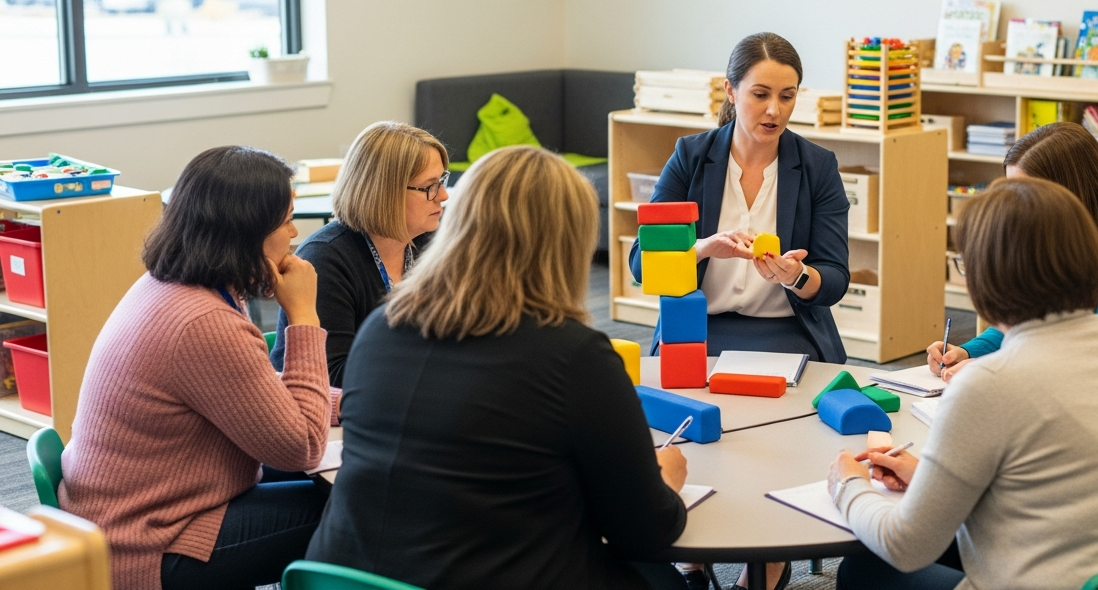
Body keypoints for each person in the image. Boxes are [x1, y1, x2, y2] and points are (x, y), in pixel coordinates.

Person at [306, 145, 690, 590]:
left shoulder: (380, 327)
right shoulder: (576, 356)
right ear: (568, 242)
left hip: (343, 577)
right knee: (662, 579)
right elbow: (646, 531)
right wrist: (665, 480)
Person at [828, 178, 1098, 590]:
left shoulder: (989, 384)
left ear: (985, 278)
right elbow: (1057, 485)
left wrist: (848, 485)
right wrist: (930, 480)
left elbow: (904, 545)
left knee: (867, 571)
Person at [60, 146, 331, 590]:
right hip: (148, 543)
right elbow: (302, 446)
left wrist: (358, 399)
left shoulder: (178, 284)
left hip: (140, 510)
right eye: (285, 221)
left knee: (342, 478)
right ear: (249, 233)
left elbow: (252, 393)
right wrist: (303, 317)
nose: (294, 232)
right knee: (351, 506)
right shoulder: (203, 322)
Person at [629, 32, 850, 364]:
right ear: (730, 90)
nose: (774, 110)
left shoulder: (817, 167)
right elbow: (641, 264)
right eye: (760, 95)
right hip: (700, 325)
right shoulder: (691, 157)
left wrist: (797, 275)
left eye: (787, 97)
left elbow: (834, 278)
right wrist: (703, 248)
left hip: (789, 329)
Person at [931, 122, 1098, 378]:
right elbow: (1023, 317)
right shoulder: (1046, 238)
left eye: (1025, 194)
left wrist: (998, 368)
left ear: (1067, 194)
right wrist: (969, 352)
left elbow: (1095, 361)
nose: (1013, 207)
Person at [270, 121, 449, 387]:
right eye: (430, 186)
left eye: (442, 180)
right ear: (385, 193)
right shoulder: (326, 259)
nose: (443, 195)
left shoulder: (432, 240)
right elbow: (335, 375)